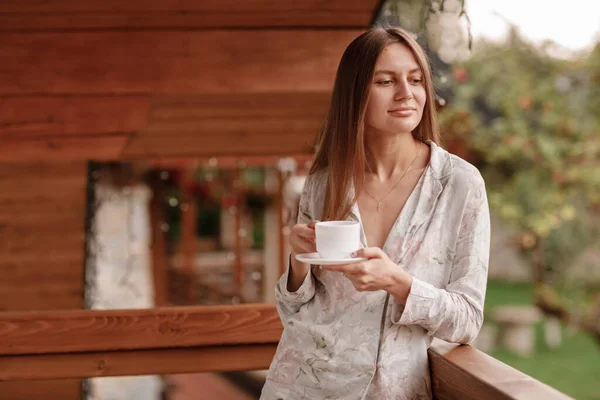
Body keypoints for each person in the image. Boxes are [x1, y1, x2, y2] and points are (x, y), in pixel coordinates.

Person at [260, 26, 490, 400]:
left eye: (415, 79)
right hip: (299, 385)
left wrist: (397, 282)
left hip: (392, 391)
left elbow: (466, 321)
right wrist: (298, 261)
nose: (406, 93)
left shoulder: (459, 184)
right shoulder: (323, 184)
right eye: (385, 81)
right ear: (355, 94)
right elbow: (292, 313)